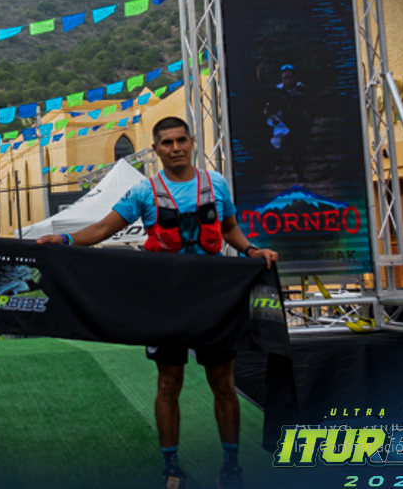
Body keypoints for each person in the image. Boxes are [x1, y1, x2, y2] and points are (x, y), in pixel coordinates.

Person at [38, 117, 278, 489]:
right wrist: (66, 241)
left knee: (223, 384)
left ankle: (231, 465)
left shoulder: (215, 184)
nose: (176, 147)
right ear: (156, 149)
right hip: (166, 301)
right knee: (169, 384)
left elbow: (229, 228)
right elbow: (103, 229)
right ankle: (171, 467)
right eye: (167, 142)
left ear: (193, 142)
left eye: (181, 140)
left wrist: (251, 249)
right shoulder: (144, 192)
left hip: (215, 300)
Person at [264, 64, 309, 150]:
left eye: (290, 78)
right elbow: (268, 111)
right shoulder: (276, 92)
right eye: (285, 78)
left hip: (300, 125)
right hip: (282, 126)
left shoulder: (303, 90)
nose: (288, 80)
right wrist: (279, 125)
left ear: (295, 77)